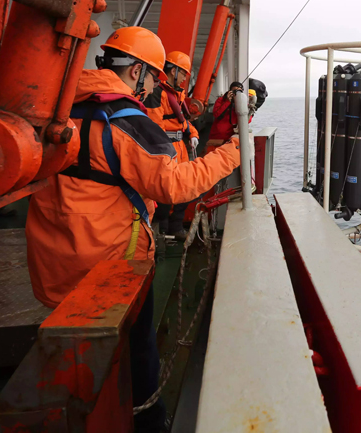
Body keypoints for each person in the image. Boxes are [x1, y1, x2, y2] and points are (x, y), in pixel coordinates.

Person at [24, 27, 240, 432]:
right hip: (109, 268)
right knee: (136, 351)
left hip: (54, 260)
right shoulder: (129, 123)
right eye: (152, 79)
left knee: (73, 351)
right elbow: (175, 185)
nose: (151, 90)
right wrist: (232, 154)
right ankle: (148, 420)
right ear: (137, 71)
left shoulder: (58, 106)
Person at [146, 50, 199, 239]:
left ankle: (176, 228)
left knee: (184, 188)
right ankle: (161, 229)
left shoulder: (177, 95)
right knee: (167, 190)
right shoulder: (158, 93)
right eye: (183, 72)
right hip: (167, 148)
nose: (185, 78)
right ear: (173, 70)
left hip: (180, 147)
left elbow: (183, 120)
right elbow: (154, 126)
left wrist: (192, 134)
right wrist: (163, 149)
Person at [208, 81, 252, 150]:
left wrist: (239, 104)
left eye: (239, 91)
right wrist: (228, 102)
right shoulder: (221, 100)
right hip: (218, 137)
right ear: (230, 91)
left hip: (232, 137)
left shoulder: (242, 104)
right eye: (235, 91)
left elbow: (248, 120)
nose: (237, 93)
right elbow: (216, 114)